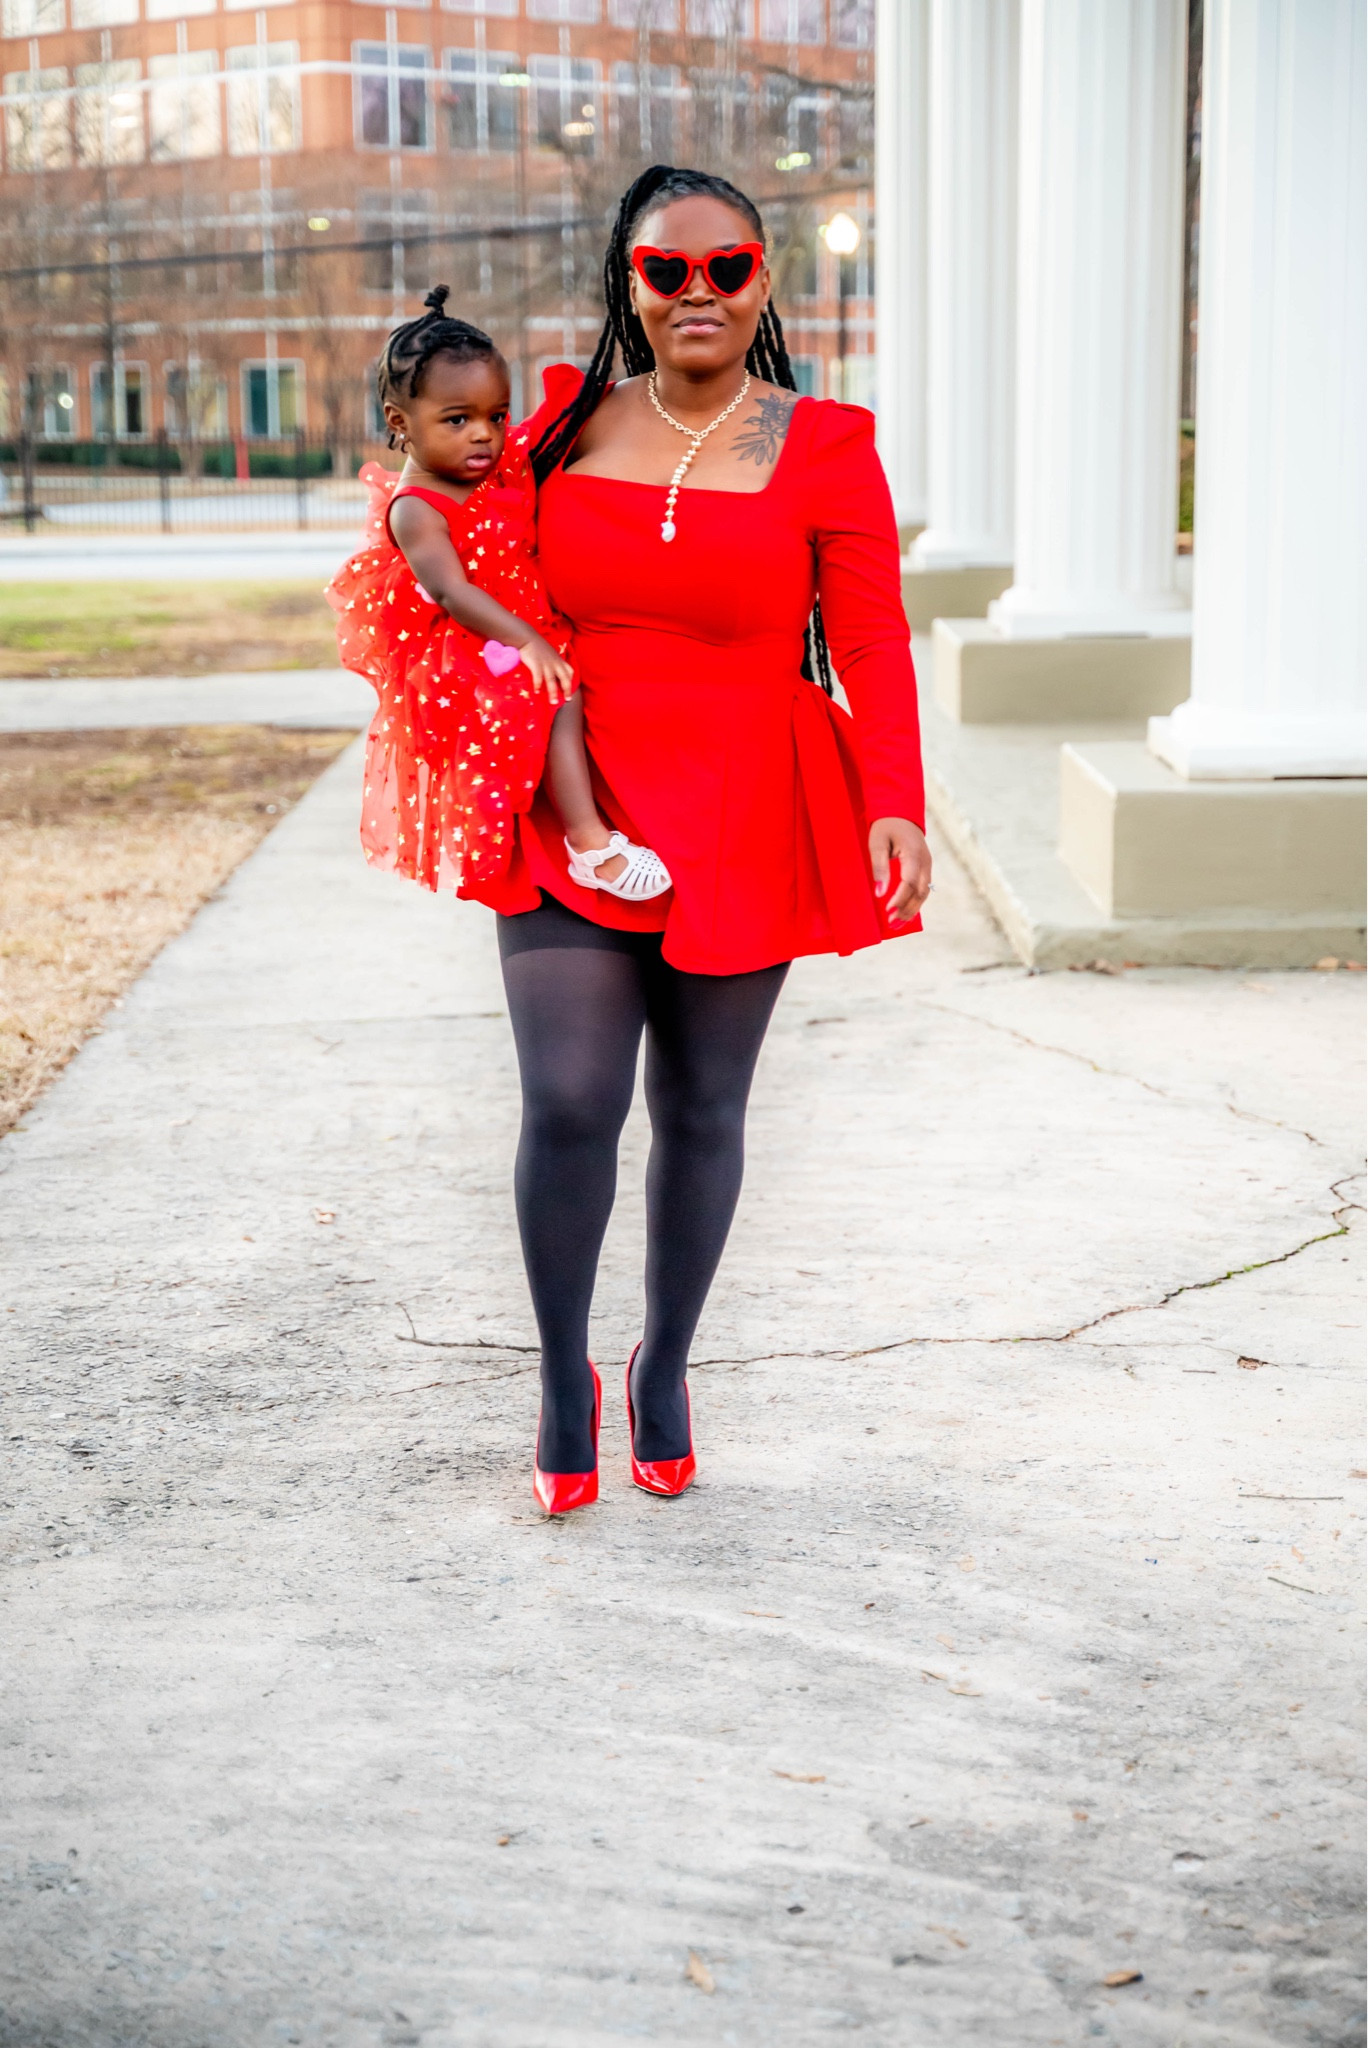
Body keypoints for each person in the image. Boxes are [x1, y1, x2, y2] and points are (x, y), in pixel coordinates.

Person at [462, 164, 932, 1516]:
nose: (698, 292)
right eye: (668, 272)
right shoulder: (558, 423)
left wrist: (894, 794)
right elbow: (470, 556)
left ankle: (664, 1362)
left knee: (702, 1106)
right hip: (580, 798)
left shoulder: (826, 443)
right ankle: (565, 1376)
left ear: (761, 276)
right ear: (631, 283)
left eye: (725, 267)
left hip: (747, 794)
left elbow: (869, 638)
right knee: (568, 1100)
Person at [327, 288, 670, 902]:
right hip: (478, 644)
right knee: (554, 698)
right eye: (457, 420)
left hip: (522, 623)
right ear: (400, 423)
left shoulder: (489, 465)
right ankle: (588, 843)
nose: (483, 435)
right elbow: (453, 593)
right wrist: (529, 641)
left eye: (497, 415)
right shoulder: (417, 509)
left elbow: (542, 444)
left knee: (578, 693)